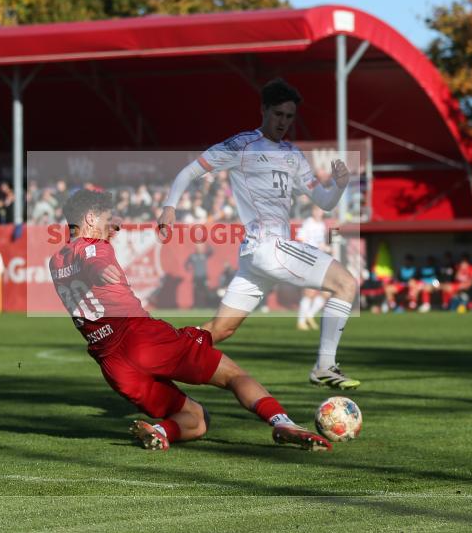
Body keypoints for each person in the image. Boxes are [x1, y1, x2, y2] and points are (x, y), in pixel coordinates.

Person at [50, 189, 332, 451]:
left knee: (197, 419)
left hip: (113, 364)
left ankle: (161, 431)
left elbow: (81, 263)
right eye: (108, 220)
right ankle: (282, 422)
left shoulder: (56, 262)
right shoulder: (95, 249)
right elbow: (93, 259)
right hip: (142, 339)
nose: (116, 226)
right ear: (89, 218)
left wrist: (98, 270)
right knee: (234, 375)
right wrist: (102, 270)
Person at [158, 79, 360, 390]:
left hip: (256, 258)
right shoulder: (242, 146)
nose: (284, 123)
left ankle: (162, 357)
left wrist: (340, 185)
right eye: (278, 114)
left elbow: (324, 202)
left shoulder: (292, 154)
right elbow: (190, 171)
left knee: (221, 329)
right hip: (270, 247)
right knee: (346, 283)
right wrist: (170, 207)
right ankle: (324, 365)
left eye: (290, 117)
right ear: (263, 109)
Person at [296, 204, 330, 330]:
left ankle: (309, 315)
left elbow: (321, 242)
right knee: (309, 292)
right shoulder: (308, 223)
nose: (319, 212)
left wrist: (326, 247)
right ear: (313, 211)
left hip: (319, 261)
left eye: (321, 210)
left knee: (327, 292)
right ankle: (301, 321)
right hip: (308, 261)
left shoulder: (322, 225)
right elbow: (300, 239)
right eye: (317, 210)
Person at [184, 243, 214, 309]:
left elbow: (211, 252)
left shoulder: (204, 255)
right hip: (196, 277)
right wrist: (187, 268)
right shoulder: (192, 256)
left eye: (200, 248)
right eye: (197, 248)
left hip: (204, 277)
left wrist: (209, 245)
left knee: (205, 291)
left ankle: (207, 305)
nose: (199, 249)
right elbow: (186, 263)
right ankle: (196, 305)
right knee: (196, 292)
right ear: (196, 248)